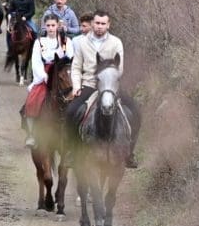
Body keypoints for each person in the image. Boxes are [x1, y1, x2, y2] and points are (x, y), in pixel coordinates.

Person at [64, 10, 141, 168]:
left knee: (136, 112)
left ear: (108, 25)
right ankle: (72, 152)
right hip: (89, 85)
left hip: (110, 86)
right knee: (71, 112)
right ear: (92, 24)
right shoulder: (82, 43)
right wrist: (76, 86)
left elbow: (119, 69)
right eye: (97, 23)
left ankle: (129, 153)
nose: (100, 26)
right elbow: (76, 67)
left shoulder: (116, 43)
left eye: (103, 23)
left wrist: (109, 81)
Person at [21, 14, 74, 147]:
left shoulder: (66, 41)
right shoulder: (39, 42)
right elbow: (36, 62)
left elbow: (70, 57)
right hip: (44, 73)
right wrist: (44, 76)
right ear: (45, 26)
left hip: (62, 72)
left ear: (58, 26)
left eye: (53, 25)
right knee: (32, 100)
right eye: (48, 25)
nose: (50, 28)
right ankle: (31, 134)